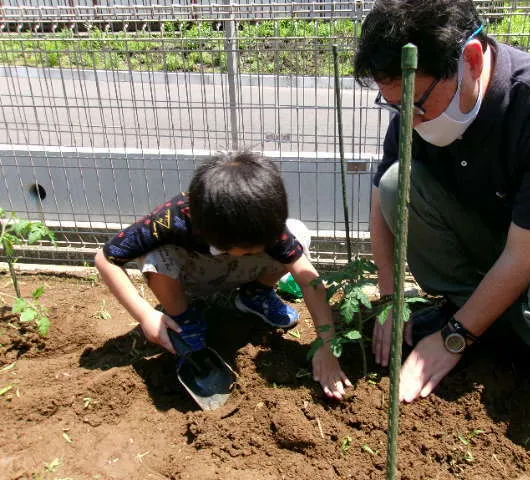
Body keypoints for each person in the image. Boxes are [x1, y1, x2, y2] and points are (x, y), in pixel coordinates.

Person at [354, 0, 530, 402]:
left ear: (470, 58)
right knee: (398, 183)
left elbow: (524, 254)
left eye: (417, 104)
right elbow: (383, 199)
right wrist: (389, 298)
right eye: (397, 106)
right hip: (493, 233)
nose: (409, 119)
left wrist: (452, 339)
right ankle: (489, 319)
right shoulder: (418, 108)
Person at [94, 151, 352, 399]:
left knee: (299, 235)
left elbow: (311, 281)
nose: (261, 248)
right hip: (193, 277)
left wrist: (326, 345)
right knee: (155, 256)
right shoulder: (172, 219)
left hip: (239, 271)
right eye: (251, 248)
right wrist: (146, 314)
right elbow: (106, 258)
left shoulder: (262, 222)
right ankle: (185, 319)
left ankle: (255, 295)